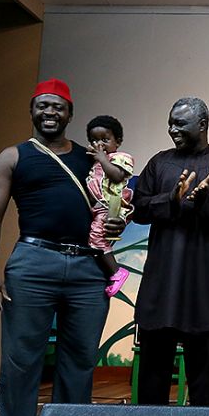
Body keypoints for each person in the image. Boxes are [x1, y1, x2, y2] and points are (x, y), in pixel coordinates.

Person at [0, 78, 125, 416]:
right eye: (42, 106)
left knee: (78, 361)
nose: (49, 113)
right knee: (21, 359)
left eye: (58, 107)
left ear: (70, 114)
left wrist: (115, 223)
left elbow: (109, 206)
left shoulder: (91, 159)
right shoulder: (14, 156)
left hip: (86, 268)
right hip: (32, 262)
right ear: (32, 110)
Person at [131, 97, 209, 407]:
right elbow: (138, 209)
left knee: (203, 376)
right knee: (153, 375)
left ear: (202, 125)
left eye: (179, 123)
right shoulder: (159, 163)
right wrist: (171, 197)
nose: (172, 129)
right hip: (161, 283)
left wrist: (207, 199)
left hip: (202, 285)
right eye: (170, 122)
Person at [85, 115, 134, 297]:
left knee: (96, 238)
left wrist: (102, 159)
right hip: (97, 207)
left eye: (105, 140)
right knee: (95, 238)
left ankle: (116, 272)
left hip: (110, 206)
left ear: (118, 141)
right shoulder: (95, 163)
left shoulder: (120, 157)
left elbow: (117, 176)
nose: (100, 145)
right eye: (94, 140)